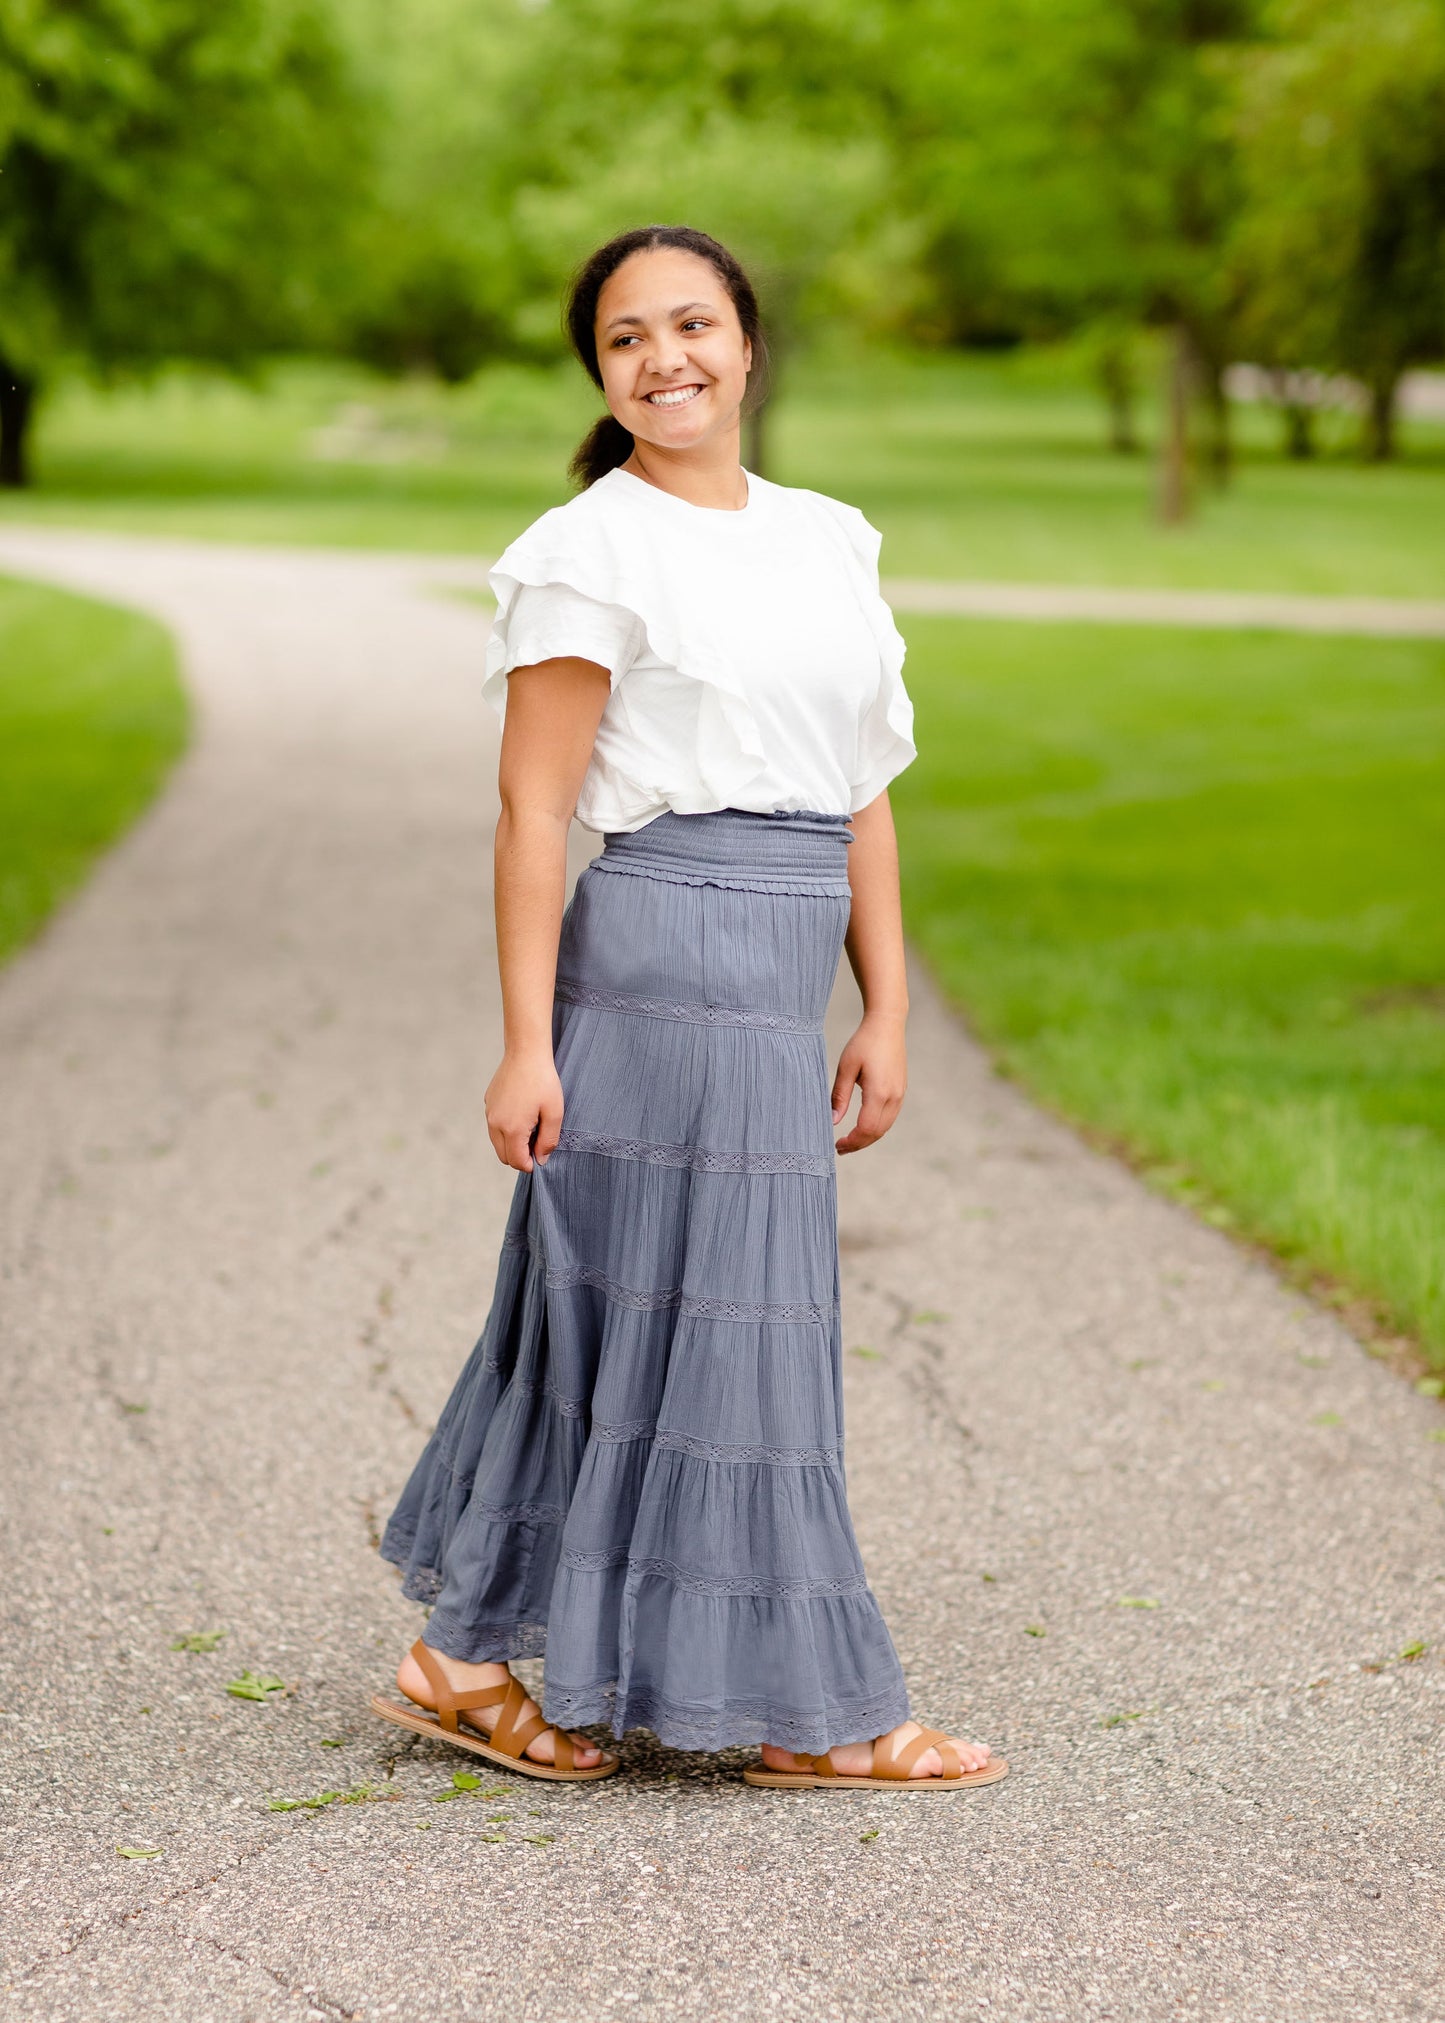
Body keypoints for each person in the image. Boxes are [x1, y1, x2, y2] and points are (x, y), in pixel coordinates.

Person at [371, 224, 1007, 1793]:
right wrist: (526, 1042)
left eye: (693, 325)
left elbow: (862, 789)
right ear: (600, 372)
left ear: (746, 343)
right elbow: (534, 813)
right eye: (627, 339)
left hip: (783, 975)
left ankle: (472, 1658)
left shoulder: (826, 538)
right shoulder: (589, 548)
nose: (667, 359)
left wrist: (888, 1005)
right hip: (658, 961)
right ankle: (807, 1710)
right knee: (685, 1325)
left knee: (684, 1327)